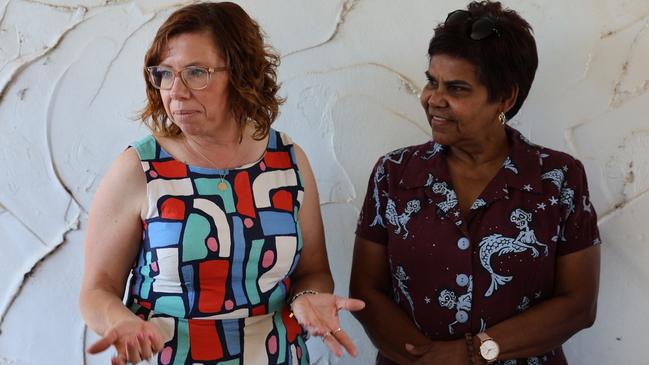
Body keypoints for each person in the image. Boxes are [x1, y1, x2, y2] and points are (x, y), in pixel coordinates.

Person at [79, 2, 364, 364]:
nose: (176, 91)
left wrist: (307, 297)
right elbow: (96, 290)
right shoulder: (140, 167)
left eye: (196, 72)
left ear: (242, 74)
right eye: (164, 73)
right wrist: (120, 321)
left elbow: (314, 271)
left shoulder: (288, 161)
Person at [350, 1, 601, 364]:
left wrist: (470, 353)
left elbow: (579, 304)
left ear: (505, 97)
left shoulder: (557, 179)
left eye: (457, 89)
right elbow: (366, 290)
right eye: (431, 82)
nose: (434, 99)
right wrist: (425, 360)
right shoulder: (395, 174)